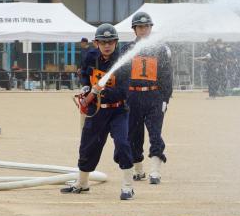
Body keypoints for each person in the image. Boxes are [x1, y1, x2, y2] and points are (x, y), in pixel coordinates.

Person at [61, 23, 135, 200]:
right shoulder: (91, 57)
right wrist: (87, 87)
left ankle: (128, 186)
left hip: (118, 110)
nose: (107, 45)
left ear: (116, 43)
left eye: (110, 42)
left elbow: (124, 92)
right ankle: (83, 183)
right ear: (96, 43)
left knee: (123, 144)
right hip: (96, 111)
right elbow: (85, 75)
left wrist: (100, 92)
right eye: (103, 42)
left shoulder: (123, 61)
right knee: (87, 145)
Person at [124, 11, 172, 184]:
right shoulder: (127, 49)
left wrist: (166, 98)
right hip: (133, 96)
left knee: (155, 133)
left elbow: (167, 76)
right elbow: (122, 75)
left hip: (154, 96)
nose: (143, 30)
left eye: (146, 26)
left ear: (151, 28)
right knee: (133, 134)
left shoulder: (161, 48)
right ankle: (138, 169)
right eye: (139, 27)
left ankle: (155, 171)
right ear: (134, 30)